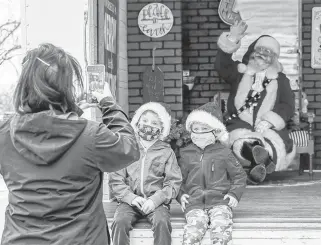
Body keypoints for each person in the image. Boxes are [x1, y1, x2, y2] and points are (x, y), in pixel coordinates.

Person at [0, 43, 140, 245]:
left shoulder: (5, 133)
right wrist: (108, 103)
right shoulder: (90, 135)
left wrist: (70, 113)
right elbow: (129, 148)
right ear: (65, 88)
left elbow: (41, 124)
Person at [215, 20, 296, 184]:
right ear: (252, 53)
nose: (262, 56)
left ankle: (257, 165)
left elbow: (288, 105)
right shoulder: (239, 73)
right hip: (239, 124)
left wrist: (269, 121)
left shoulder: (280, 79)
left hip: (268, 128)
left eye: (268, 53)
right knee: (239, 140)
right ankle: (259, 165)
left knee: (272, 143)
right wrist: (232, 38)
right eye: (259, 51)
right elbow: (221, 65)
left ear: (273, 59)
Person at [109, 102, 182, 245]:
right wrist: (130, 197)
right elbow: (116, 179)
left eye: (155, 123)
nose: (149, 125)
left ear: (162, 128)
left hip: (157, 203)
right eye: (145, 121)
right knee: (119, 222)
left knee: (162, 223)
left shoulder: (166, 151)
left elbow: (173, 182)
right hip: (129, 201)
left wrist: (155, 200)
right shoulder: (128, 147)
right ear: (137, 123)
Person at [178, 101, 247, 245]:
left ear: (215, 132)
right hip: (194, 203)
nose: (199, 133)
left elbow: (239, 175)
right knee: (192, 231)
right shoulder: (186, 154)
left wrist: (234, 194)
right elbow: (179, 179)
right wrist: (180, 195)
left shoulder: (224, 153)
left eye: (204, 129)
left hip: (220, 202)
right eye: (196, 129)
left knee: (221, 229)